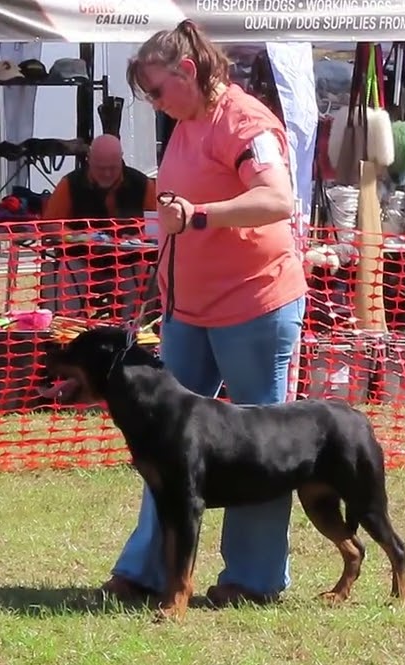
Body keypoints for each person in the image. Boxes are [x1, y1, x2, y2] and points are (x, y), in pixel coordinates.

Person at [101, 19, 308, 608]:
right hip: (186, 311)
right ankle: (147, 572)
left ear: (188, 71)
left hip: (254, 306)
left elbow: (277, 200)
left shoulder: (247, 121)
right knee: (162, 444)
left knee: (261, 446)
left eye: (158, 91)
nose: (155, 104)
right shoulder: (186, 124)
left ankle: (253, 578)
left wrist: (197, 215)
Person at [42, 134, 157, 232]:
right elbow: (50, 224)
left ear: (121, 159)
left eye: (113, 168)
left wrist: (136, 239)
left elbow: (156, 226)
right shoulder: (70, 184)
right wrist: (77, 237)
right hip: (81, 255)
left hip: (133, 256)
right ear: (89, 159)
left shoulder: (143, 184)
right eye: (100, 168)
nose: (107, 174)